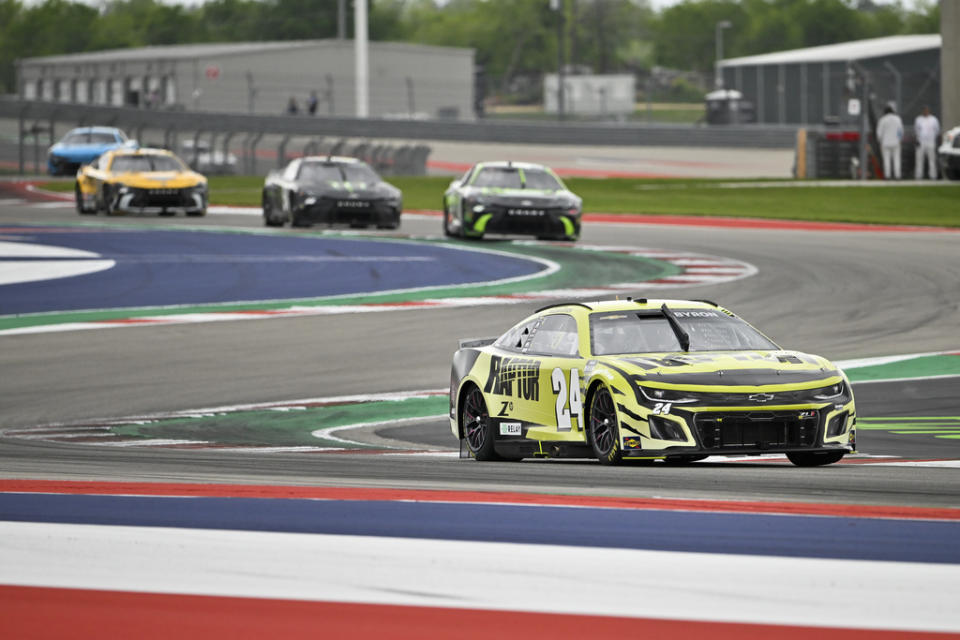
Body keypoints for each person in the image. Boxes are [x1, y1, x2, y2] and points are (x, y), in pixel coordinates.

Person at [876, 104, 903, 180]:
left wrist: (879, 141)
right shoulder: (898, 119)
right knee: (897, 159)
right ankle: (897, 176)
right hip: (896, 142)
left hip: (885, 143)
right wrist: (899, 139)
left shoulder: (882, 120)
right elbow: (900, 131)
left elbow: (879, 133)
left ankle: (887, 176)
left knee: (886, 160)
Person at [914, 105, 940, 180]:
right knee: (919, 159)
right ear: (922, 111)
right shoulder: (918, 119)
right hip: (921, 141)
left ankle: (933, 175)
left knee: (932, 159)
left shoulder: (934, 119)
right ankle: (918, 175)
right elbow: (916, 130)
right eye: (924, 110)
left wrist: (933, 138)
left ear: (929, 111)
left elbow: (937, 130)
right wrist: (917, 139)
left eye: (927, 110)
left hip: (931, 141)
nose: (925, 112)